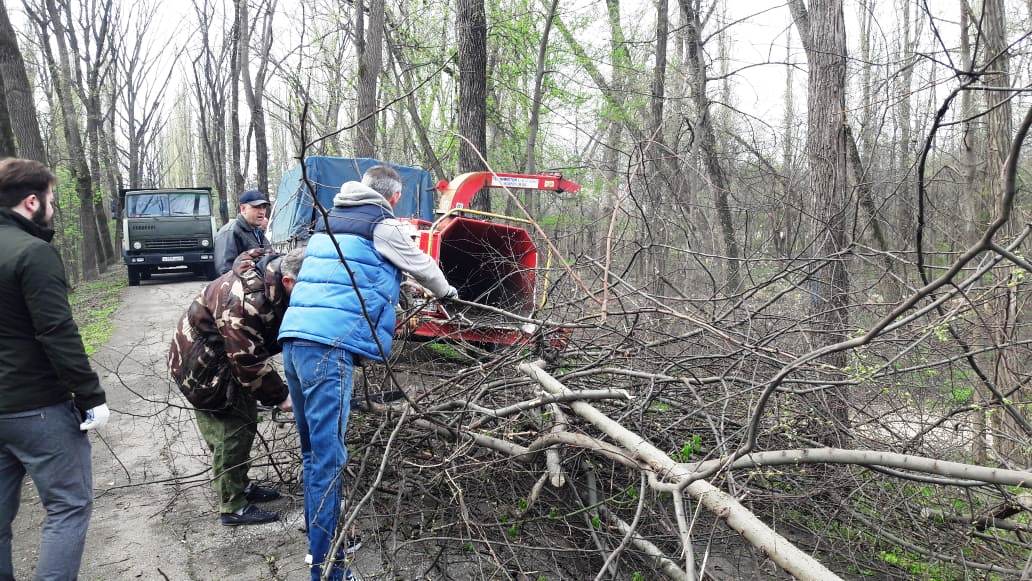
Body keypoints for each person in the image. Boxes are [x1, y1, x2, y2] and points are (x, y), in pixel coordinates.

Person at [278, 165, 457, 580]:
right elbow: (426, 267)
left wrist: (399, 285)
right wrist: (448, 294)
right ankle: (329, 570)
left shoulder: (329, 221)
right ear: (393, 197)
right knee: (328, 464)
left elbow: (347, 273)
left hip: (295, 341)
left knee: (313, 457)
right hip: (329, 350)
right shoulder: (383, 223)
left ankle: (320, 549)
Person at [0, 158, 109, 579]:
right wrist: (90, 395)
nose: (52, 207)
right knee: (68, 506)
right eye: (50, 199)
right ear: (31, 202)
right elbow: (56, 331)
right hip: (37, 408)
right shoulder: (33, 252)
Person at [168, 247, 304, 526]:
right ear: (288, 281)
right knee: (232, 430)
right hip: (204, 369)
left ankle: (240, 484)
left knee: (245, 420)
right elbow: (246, 360)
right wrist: (281, 396)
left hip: (220, 357)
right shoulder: (244, 301)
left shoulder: (272, 277)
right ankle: (233, 506)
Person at [214, 190, 273, 275]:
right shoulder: (230, 232)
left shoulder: (257, 232)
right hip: (239, 283)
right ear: (243, 209)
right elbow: (224, 272)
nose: (262, 211)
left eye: (264, 207)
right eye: (256, 207)